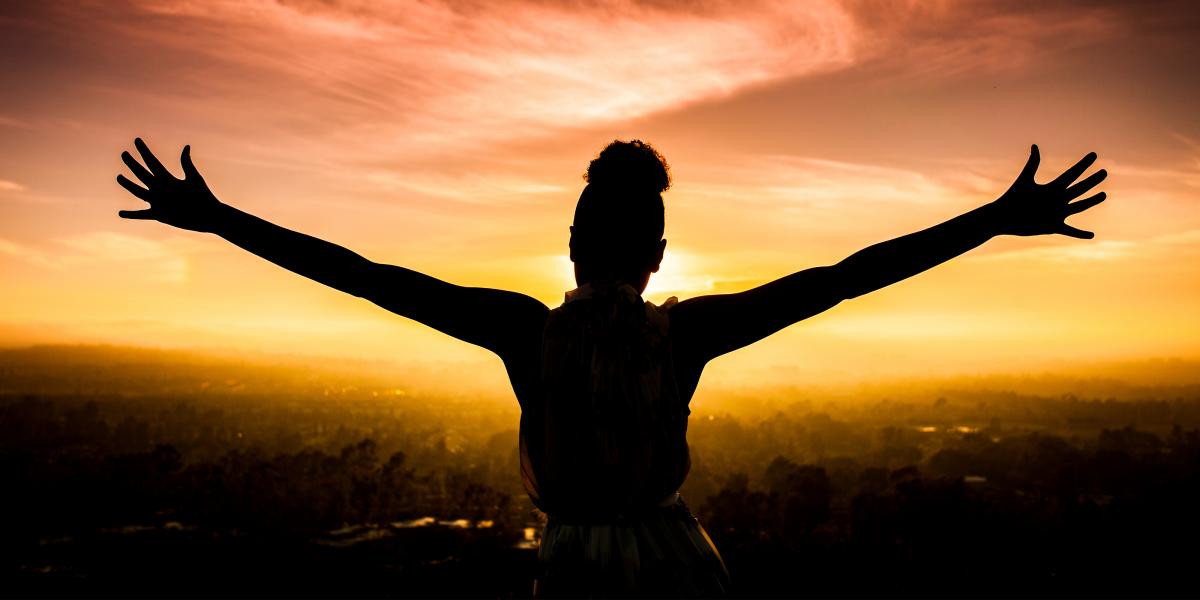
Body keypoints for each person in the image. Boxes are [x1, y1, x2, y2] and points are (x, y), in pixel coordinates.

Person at [115, 138, 1107, 597]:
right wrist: (992, 221)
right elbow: (843, 279)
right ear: (657, 258)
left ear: (573, 240)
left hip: (585, 575)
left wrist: (220, 220)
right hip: (680, 567)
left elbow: (365, 277)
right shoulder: (682, 336)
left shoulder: (525, 330)